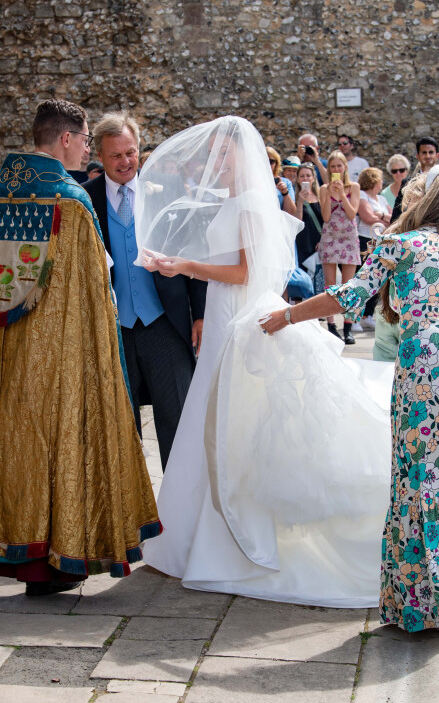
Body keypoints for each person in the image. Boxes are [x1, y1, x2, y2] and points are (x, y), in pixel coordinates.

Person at [138, 116, 393, 608]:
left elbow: (247, 270)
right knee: (208, 422)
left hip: (239, 313)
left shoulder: (254, 200)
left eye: (222, 152)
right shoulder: (230, 201)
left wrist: (183, 265)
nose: (216, 160)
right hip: (220, 313)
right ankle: (187, 538)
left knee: (233, 423)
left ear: (241, 155)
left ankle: (227, 538)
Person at [262, 165, 439, 631]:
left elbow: (350, 296)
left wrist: (287, 315)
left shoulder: (398, 246)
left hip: (427, 357)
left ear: (420, 202)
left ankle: (433, 602)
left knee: (421, 470)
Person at [0, 99, 161, 595]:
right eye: (87, 140)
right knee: (50, 444)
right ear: (65, 139)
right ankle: (47, 569)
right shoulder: (70, 203)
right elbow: (93, 294)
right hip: (51, 357)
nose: (88, 148)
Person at [84, 111, 206, 468]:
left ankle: (179, 511)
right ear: (101, 156)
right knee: (121, 429)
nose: (126, 162)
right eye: (116, 155)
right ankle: (132, 517)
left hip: (165, 324)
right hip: (113, 329)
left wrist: (199, 314)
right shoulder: (85, 199)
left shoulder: (166, 193)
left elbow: (193, 251)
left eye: (131, 152)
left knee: (178, 420)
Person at [318, 150, 360, 343]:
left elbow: (352, 214)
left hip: (348, 237)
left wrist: (342, 194)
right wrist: (329, 194)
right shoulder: (324, 188)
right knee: (330, 284)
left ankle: (348, 326)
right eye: (333, 166)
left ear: (345, 168)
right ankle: (331, 325)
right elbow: (325, 217)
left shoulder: (354, 187)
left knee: (348, 284)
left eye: (339, 166)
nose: (336, 169)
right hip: (330, 236)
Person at [353, 167, 392, 332]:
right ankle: (354, 316)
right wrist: (384, 217)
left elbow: (394, 218)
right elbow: (367, 217)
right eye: (380, 179)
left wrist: (380, 215)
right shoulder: (362, 196)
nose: (382, 182)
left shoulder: (382, 199)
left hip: (381, 240)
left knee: (379, 279)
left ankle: (367, 315)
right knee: (363, 278)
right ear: (373, 180)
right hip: (365, 240)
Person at [391, 137, 439, 221]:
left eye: (431, 152)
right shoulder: (408, 183)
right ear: (418, 156)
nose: (428, 156)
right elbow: (396, 216)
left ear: (437, 156)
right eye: (424, 153)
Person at [266, 146, 296, 216]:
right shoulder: (251, 182)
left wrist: (285, 193)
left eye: (271, 161)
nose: (267, 164)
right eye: (264, 161)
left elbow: (291, 213)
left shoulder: (286, 183)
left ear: (276, 163)